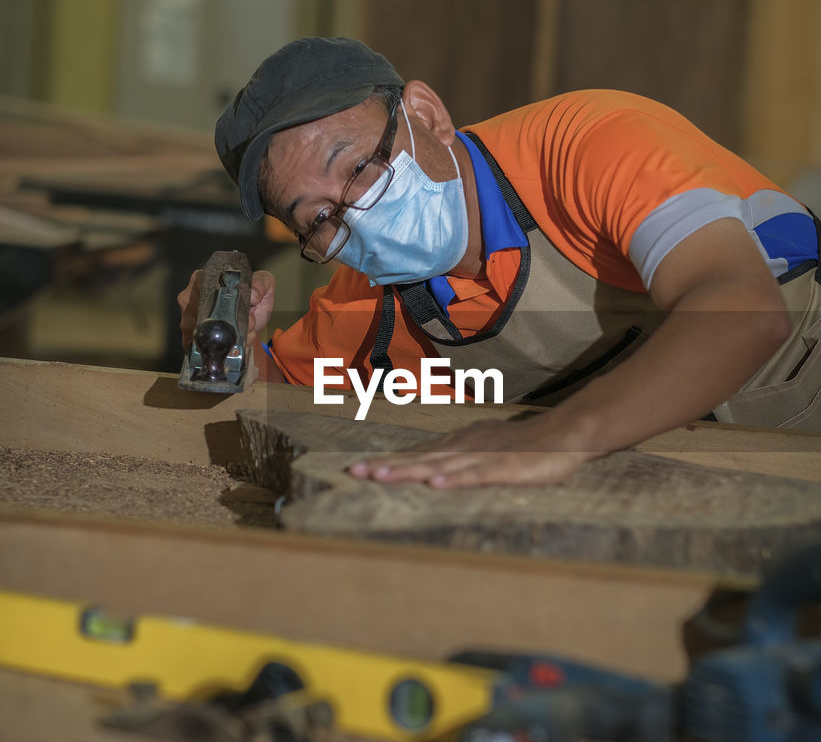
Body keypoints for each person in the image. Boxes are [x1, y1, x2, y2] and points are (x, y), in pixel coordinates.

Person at [178, 36, 821, 488]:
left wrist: (559, 438)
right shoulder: (370, 305)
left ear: (425, 114)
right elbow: (279, 406)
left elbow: (742, 312)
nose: (355, 215)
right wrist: (236, 350)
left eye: (356, 167)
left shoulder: (587, 144)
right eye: (317, 219)